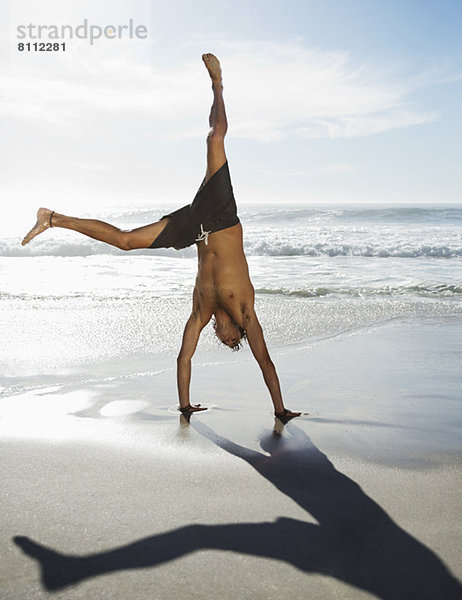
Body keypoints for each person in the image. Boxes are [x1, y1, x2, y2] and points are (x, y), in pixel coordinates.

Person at [22, 53, 301, 421]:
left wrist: (184, 405)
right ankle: (218, 84)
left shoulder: (201, 311)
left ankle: (53, 218)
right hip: (220, 216)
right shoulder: (247, 312)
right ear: (237, 331)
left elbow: (184, 356)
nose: (223, 336)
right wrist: (281, 410)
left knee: (125, 241)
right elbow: (264, 360)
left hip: (194, 229)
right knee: (215, 137)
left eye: (222, 339)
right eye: (230, 339)